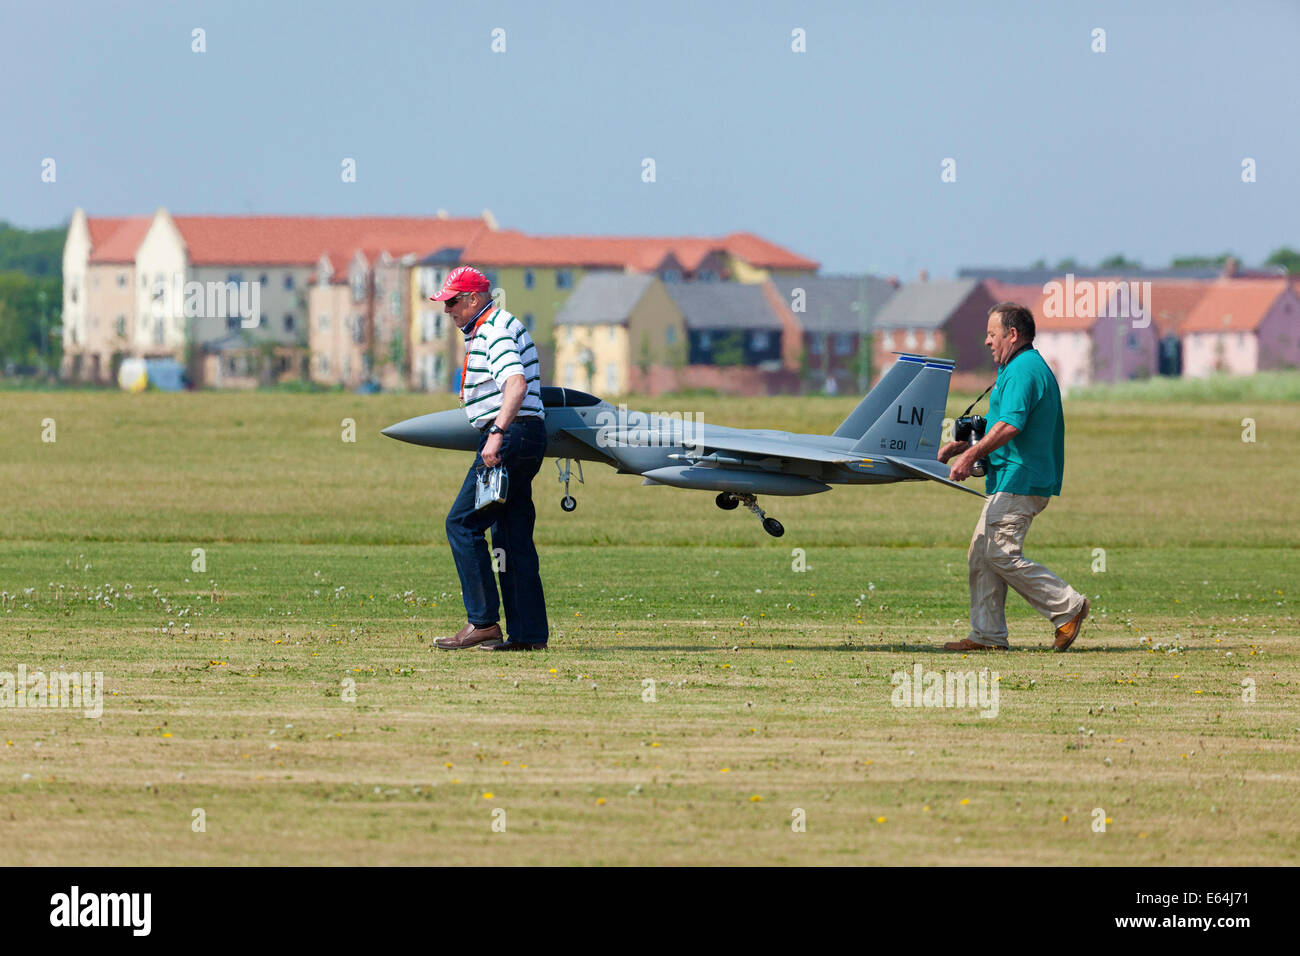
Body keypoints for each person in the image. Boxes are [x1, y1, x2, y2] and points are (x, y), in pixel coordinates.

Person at [937, 302, 1089, 651]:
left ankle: (1068, 607)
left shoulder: (1023, 370)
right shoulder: (1015, 369)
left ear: (1013, 334)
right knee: (982, 552)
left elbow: (1010, 425)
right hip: (1009, 477)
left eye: (992, 334)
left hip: (1020, 478)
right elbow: (996, 424)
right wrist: (959, 446)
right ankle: (988, 636)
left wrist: (972, 456)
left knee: (1000, 552)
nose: (988, 341)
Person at [431, 266, 550, 651]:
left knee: (462, 524)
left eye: (452, 302)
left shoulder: (493, 331)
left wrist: (496, 433)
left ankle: (482, 622)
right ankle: (528, 636)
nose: (448, 311)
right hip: (527, 434)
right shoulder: (495, 325)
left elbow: (515, 384)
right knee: (511, 536)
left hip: (511, 435)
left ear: (473, 300)